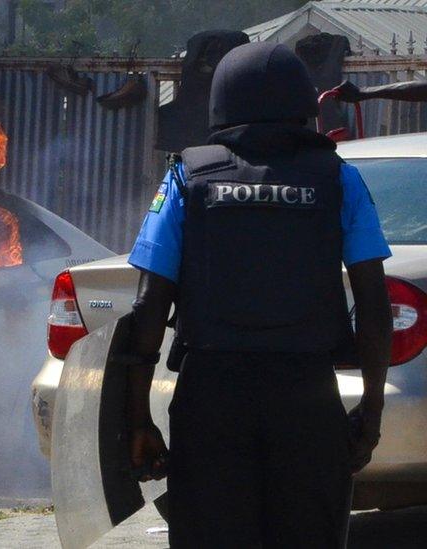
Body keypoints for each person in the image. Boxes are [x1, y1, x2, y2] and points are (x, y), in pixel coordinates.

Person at [123, 42, 393, 548]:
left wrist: (136, 419)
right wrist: (371, 411)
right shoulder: (340, 180)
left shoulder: (187, 178)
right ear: (305, 105)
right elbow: (374, 307)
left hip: (210, 403)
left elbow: (148, 306)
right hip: (308, 401)